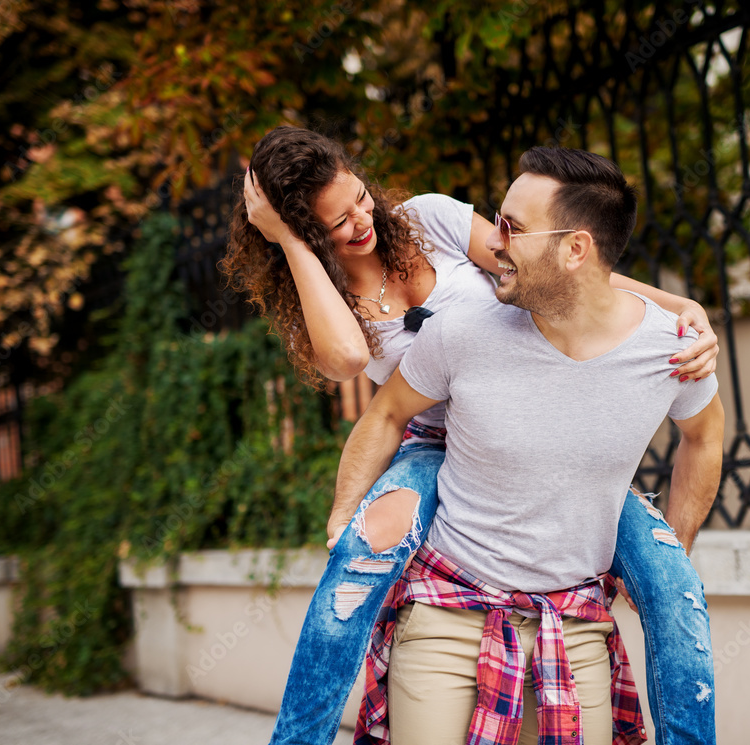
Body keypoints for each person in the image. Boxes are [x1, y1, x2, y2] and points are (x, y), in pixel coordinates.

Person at [220, 126, 719, 745]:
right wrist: (292, 241)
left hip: (535, 430)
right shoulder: (323, 294)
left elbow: (564, 268)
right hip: (436, 447)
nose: (360, 221)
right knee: (357, 558)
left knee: (677, 590)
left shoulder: (427, 218)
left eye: (359, 200)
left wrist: (675, 306)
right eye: (334, 223)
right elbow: (349, 360)